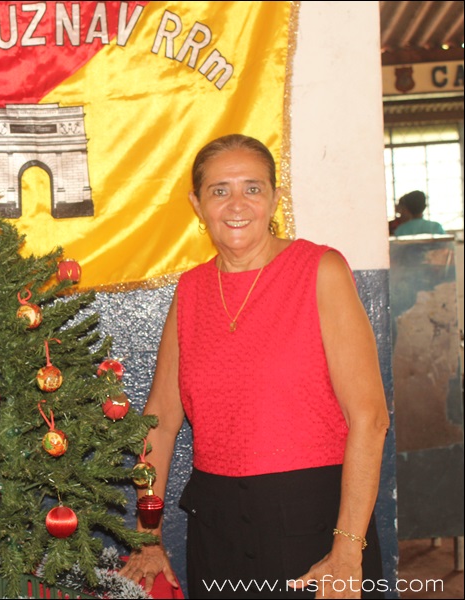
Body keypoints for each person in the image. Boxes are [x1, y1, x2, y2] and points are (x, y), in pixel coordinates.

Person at [120, 134, 390, 598]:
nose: (236, 204)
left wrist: (348, 550)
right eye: (219, 190)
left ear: (275, 198)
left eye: (252, 188)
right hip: (217, 526)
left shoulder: (319, 270)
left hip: (315, 522)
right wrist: (147, 535)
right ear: (197, 204)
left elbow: (370, 418)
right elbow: (159, 423)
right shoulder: (191, 290)